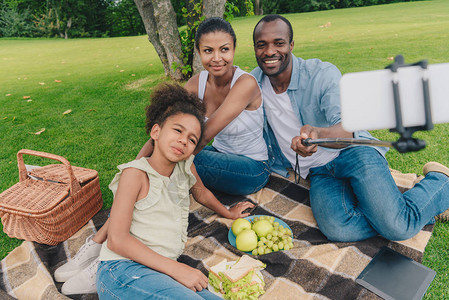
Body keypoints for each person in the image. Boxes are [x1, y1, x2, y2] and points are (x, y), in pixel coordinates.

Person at [251, 14, 449, 242]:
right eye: (261, 45)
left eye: (279, 43)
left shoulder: (322, 74)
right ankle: (403, 211)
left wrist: (318, 134)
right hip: (319, 171)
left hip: (354, 153)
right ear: (255, 49)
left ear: (291, 45)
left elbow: (347, 130)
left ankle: (440, 181)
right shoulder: (252, 84)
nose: (269, 52)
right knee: (339, 230)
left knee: (398, 229)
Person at [54, 83, 254, 297]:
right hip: (123, 269)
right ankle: (97, 261)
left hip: (159, 271)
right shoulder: (135, 174)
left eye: (191, 139)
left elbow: (201, 192)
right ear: (156, 131)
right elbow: (117, 239)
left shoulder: (185, 166)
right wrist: (179, 269)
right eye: (178, 130)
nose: (183, 140)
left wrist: (228, 212)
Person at [137, 17, 270, 196]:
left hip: (253, 169)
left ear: (234, 49)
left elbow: (205, 134)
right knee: (168, 145)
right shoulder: (196, 84)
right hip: (219, 154)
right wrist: (136, 166)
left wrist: (162, 158)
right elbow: (163, 126)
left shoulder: (246, 84)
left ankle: (146, 189)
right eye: (208, 50)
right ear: (199, 52)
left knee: (180, 156)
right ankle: (139, 185)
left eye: (224, 49)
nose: (217, 58)